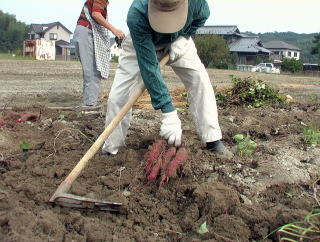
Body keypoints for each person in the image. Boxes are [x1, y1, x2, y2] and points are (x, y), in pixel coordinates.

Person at [102, 0, 233, 159]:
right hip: (142, 44)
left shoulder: (197, 2)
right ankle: (111, 147)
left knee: (200, 81)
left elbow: (202, 17)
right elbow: (149, 67)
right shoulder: (137, 14)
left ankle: (213, 139)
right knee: (118, 97)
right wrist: (168, 110)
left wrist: (184, 37)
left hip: (178, 41)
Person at [73, 0, 125, 109]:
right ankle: (90, 105)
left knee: (90, 71)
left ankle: (88, 102)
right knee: (93, 70)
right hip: (86, 32)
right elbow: (96, 14)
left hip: (83, 31)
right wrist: (114, 30)